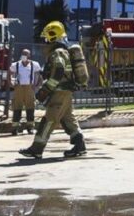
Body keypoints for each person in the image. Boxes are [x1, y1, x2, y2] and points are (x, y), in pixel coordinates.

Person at [19, 21, 86, 159]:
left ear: (52, 37)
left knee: (49, 120)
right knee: (68, 118)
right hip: (66, 92)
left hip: (59, 92)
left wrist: (45, 90)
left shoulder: (57, 52)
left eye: (47, 37)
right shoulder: (63, 51)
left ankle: (36, 149)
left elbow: (59, 71)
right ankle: (80, 146)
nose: (45, 41)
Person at [8, 48, 41, 134]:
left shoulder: (34, 64)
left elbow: (39, 74)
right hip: (19, 87)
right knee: (17, 107)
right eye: (23, 54)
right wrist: (11, 83)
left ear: (29, 55)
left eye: (26, 54)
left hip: (30, 88)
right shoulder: (16, 65)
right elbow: (9, 72)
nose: (24, 56)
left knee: (30, 107)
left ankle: (30, 127)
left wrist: (37, 85)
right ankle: (15, 128)